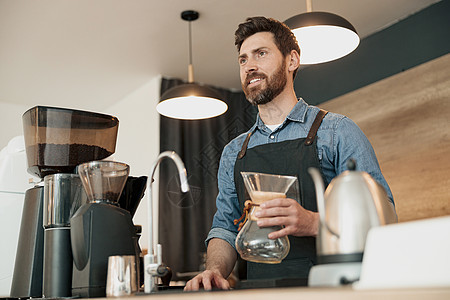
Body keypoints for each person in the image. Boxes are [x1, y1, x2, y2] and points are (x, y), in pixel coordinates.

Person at [184, 16, 394, 291]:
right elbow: (226, 227)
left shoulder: (336, 131)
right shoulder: (234, 151)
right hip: (260, 290)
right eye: (243, 59)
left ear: (292, 60)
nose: (250, 66)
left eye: (261, 54)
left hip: (334, 289)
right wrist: (213, 271)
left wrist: (312, 222)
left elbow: (384, 216)